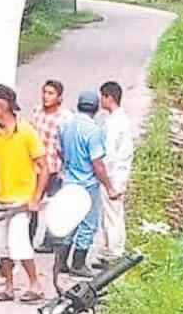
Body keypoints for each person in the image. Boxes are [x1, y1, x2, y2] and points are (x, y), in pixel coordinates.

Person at [0, 87, 48, 303]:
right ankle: (9, 287)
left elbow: (44, 167)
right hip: (1, 196)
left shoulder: (26, 132)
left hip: (21, 199)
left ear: (3, 105)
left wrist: (36, 197)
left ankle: (35, 284)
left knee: (19, 242)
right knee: (1, 246)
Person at [55, 91, 120, 278]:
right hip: (87, 184)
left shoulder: (65, 124)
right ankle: (78, 263)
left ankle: (61, 262)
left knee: (69, 221)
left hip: (68, 181)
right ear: (96, 107)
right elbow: (97, 164)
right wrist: (109, 187)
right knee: (88, 224)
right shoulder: (93, 130)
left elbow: (60, 151)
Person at [92, 81, 135, 268]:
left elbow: (109, 154)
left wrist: (104, 178)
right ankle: (110, 249)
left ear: (108, 97)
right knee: (112, 214)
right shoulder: (119, 120)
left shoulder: (114, 124)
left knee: (112, 215)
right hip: (118, 173)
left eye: (102, 97)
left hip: (113, 174)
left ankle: (114, 252)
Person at [27, 79, 67, 253]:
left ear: (59, 97)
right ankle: (27, 239)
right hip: (34, 167)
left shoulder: (64, 118)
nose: (46, 96)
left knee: (53, 206)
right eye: (44, 92)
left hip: (53, 169)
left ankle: (49, 241)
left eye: (50, 93)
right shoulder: (37, 112)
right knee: (31, 204)